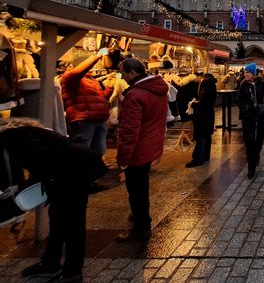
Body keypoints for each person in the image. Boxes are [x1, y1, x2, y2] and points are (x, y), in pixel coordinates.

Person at [1, 118, 107, 283]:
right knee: (58, 218)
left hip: (74, 171)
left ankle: (72, 272)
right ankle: (51, 262)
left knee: (73, 223)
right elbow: (42, 160)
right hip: (67, 170)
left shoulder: (13, 137)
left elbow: (43, 160)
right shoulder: (19, 133)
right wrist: (21, 186)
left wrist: (23, 186)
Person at [115, 58, 169, 242]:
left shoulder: (136, 94)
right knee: (141, 185)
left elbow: (129, 130)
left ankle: (141, 226)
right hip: (152, 144)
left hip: (138, 149)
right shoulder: (159, 89)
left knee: (136, 189)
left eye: (123, 74)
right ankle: (139, 217)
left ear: (132, 73)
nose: (122, 77)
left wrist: (122, 158)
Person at [60, 48, 114, 157]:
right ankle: (79, 173)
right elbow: (77, 73)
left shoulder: (92, 80)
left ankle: (93, 172)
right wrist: (97, 56)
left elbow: (101, 98)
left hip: (99, 120)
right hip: (83, 120)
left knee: (99, 151)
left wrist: (110, 87)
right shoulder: (69, 78)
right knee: (82, 152)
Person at [237, 63, 264, 178]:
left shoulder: (261, 84)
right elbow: (239, 100)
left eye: (247, 72)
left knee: (260, 137)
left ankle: (256, 155)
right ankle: (251, 167)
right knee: (249, 141)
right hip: (248, 116)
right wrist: (246, 107)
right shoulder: (243, 85)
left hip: (261, 115)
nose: (245, 74)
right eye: (245, 72)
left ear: (253, 73)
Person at [186, 72, 217, 167]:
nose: (196, 80)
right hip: (208, 115)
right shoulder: (211, 85)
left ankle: (197, 159)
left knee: (200, 137)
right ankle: (205, 155)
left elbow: (203, 103)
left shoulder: (206, 86)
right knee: (207, 135)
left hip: (203, 116)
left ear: (202, 78)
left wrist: (193, 104)